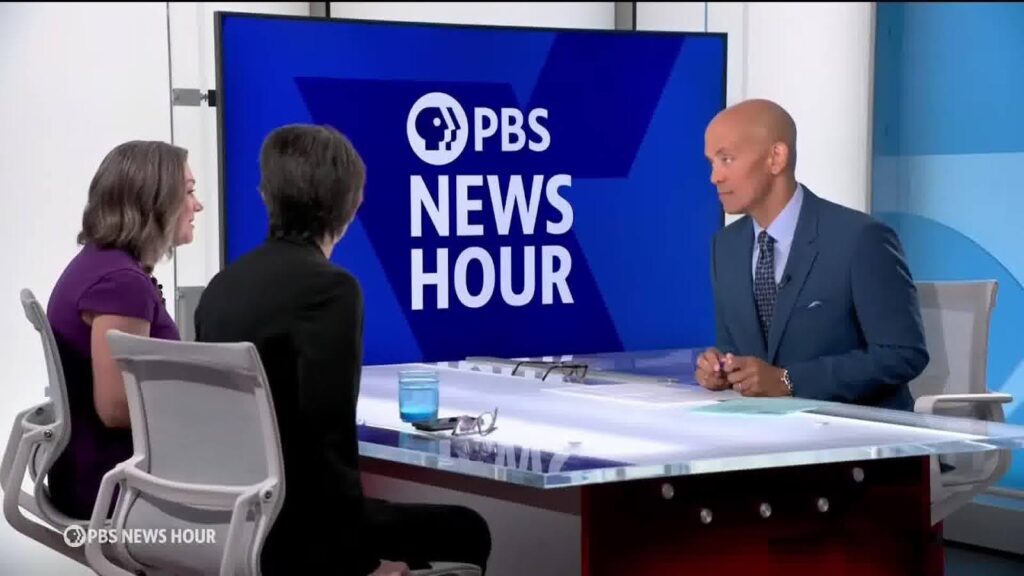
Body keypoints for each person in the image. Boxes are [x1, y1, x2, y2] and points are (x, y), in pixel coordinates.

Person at [194, 124, 491, 576]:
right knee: (468, 530)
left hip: (236, 522)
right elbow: (327, 437)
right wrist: (360, 565)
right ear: (352, 203)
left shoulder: (222, 287)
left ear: (265, 195)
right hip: (299, 537)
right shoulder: (330, 291)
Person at [695, 99, 929, 410]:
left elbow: (902, 354)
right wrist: (721, 368)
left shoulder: (860, 239)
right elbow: (735, 347)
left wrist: (788, 380)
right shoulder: (725, 247)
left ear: (776, 158)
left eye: (726, 159)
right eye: (712, 162)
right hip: (767, 437)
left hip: (858, 437)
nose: (715, 177)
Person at [46, 140, 204, 519]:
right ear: (154, 201)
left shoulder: (100, 266)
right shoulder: (121, 283)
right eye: (188, 192)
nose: (197, 205)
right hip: (115, 491)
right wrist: (207, 408)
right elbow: (116, 409)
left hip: (94, 477)